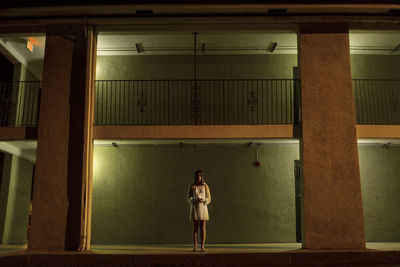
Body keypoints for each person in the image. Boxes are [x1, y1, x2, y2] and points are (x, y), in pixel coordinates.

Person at [187, 170, 211, 252]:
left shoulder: (205, 186)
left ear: (202, 176)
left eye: (200, 175)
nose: (198, 177)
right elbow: (189, 198)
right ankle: (195, 246)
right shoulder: (192, 186)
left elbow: (209, 198)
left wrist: (204, 200)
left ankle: (202, 246)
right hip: (195, 207)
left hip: (203, 207)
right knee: (195, 228)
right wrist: (194, 199)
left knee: (203, 227)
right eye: (197, 175)